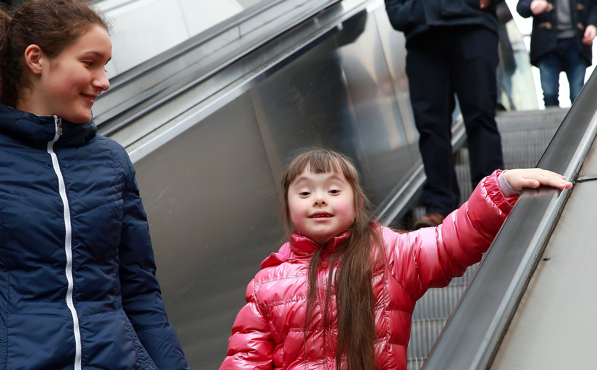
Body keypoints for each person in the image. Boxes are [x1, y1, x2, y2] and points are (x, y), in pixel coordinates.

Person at [0, 1, 189, 369]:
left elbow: (141, 294)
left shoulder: (112, 161)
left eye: (105, 65)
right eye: (90, 62)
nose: (104, 80)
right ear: (36, 59)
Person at [220, 148, 571, 370]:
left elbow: (449, 242)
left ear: (356, 203)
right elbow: (245, 359)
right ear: (288, 208)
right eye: (305, 191)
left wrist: (502, 188)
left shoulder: (387, 253)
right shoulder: (267, 283)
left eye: (333, 189)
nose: (319, 199)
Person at [384, 0, 506, 229]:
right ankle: (439, 205)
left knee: (480, 114)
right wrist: (408, 11)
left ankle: (491, 196)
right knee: (430, 125)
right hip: (422, 33)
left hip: (473, 25)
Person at [517, 0, 597, 106]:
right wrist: (531, 5)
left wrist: (593, 25)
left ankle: (578, 122)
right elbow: (521, 6)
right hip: (546, 45)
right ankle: (553, 122)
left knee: (578, 94)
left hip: (577, 44)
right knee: (550, 93)